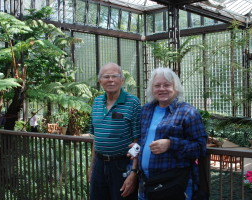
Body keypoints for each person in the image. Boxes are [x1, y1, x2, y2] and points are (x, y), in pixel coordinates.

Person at [137, 67, 208, 200]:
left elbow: (200, 148)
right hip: (146, 183)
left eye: (167, 85)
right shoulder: (146, 110)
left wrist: (171, 144)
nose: (162, 89)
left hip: (174, 184)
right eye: (157, 85)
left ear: (176, 88)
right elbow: (142, 140)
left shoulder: (188, 112)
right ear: (152, 89)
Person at [89, 62, 141, 200]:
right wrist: (92, 167)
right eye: (106, 77)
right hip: (99, 164)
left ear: (122, 80)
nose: (110, 80)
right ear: (100, 81)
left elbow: (137, 140)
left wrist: (134, 172)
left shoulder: (133, 103)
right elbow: (96, 138)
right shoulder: (96, 102)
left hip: (122, 165)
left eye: (114, 76)